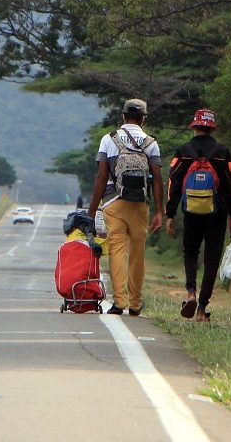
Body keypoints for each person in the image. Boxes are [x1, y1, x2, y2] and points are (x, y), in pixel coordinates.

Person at [87, 99, 164, 316]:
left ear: (123, 116)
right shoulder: (151, 143)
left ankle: (119, 302)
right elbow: (157, 179)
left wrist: (92, 211)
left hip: (113, 202)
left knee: (117, 251)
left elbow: (102, 177)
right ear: (143, 118)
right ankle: (136, 303)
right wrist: (160, 211)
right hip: (139, 205)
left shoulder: (108, 139)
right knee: (138, 254)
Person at [166, 108, 231, 322]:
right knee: (211, 259)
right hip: (216, 215)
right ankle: (201, 308)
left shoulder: (183, 150)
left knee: (190, 252)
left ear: (195, 126)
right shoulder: (221, 151)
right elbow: (230, 186)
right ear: (211, 127)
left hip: (191, 213)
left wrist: (170, 214)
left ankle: (191, 292)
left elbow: (174, 184)